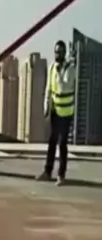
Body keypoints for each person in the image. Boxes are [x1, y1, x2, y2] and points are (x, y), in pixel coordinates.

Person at [38, 40, 75, 186]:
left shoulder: (70, 68)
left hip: (66, 111)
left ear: (64, 53)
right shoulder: (52, 67)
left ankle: (61, 175)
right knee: (52, 141)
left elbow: (64, 86)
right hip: (55, 110)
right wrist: (46, 106)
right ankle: (47, 171)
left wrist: (60, 72)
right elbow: (49, 88)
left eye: (60, 52)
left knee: (62, 142)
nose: (57, 54)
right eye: (56, 52)